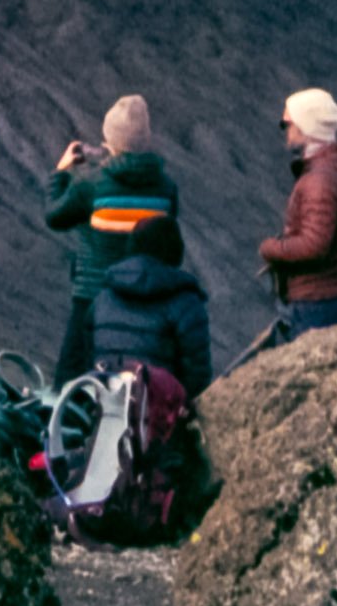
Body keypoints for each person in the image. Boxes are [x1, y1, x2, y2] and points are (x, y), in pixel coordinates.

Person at [44, 95, 181, 386]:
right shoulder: (166, 189)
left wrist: (62, 172)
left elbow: (55, 216)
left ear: (110, 140)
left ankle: (68, 428)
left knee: (70, 377)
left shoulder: (91, 184)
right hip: (147, 300)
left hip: (94, 295)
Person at [261, 88, 337, 333]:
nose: (284, 130)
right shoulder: (335, 171)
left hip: (316, 305)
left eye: (287, 123)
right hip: (332, 301)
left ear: (305, 126)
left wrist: (271, 248)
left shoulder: (320, 181)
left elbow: (315, 244)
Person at [90, 213, 214, 399]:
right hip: (158, 415)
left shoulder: (102, 297)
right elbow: (197, 375)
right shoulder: (186, 303)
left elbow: (85, 356)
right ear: (175, 249)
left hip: (103, 407)